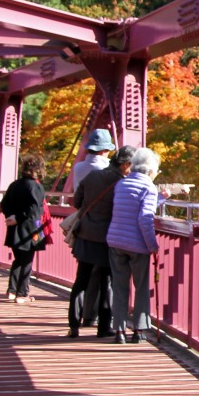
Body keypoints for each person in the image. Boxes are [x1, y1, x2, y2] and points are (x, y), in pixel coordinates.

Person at [67, 144, 135, 338]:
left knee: (81, 280)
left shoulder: (92, 176)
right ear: (125, 165)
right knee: (107, 282)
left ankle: (73, 324)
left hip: (86, 235)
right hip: (107, 238)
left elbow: (77, 202)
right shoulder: (121, 183)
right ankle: (104, 326)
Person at [105, 147, 164, 345]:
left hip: (116, 241)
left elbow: (132, 206)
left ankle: (119, 330)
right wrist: (152, 245)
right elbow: (145, 219)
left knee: (119, 287)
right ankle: (139, 329)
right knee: (141, 287)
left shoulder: (121, 185)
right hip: (137, 245)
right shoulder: (149, 188)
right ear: (151, 169)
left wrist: (162, 197)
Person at [72, 128, 116, 326]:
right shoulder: (108, 171)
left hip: (84, 227)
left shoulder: (79, 168)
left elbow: (77, 200)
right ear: (106, 149)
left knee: (82, 278)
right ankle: (101, 321)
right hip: (105, 230)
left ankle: (76, 321)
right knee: (104, 278)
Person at [0, 155, 48, 303]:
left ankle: (12, 290)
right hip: (29, 230)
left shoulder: (14, 185)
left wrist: (12, 217)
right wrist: (19, 218)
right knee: (27, 261)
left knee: (18, 260)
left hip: (15, 229)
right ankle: (22, 293)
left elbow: (4, 204)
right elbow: (34, 210)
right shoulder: (35, 186)